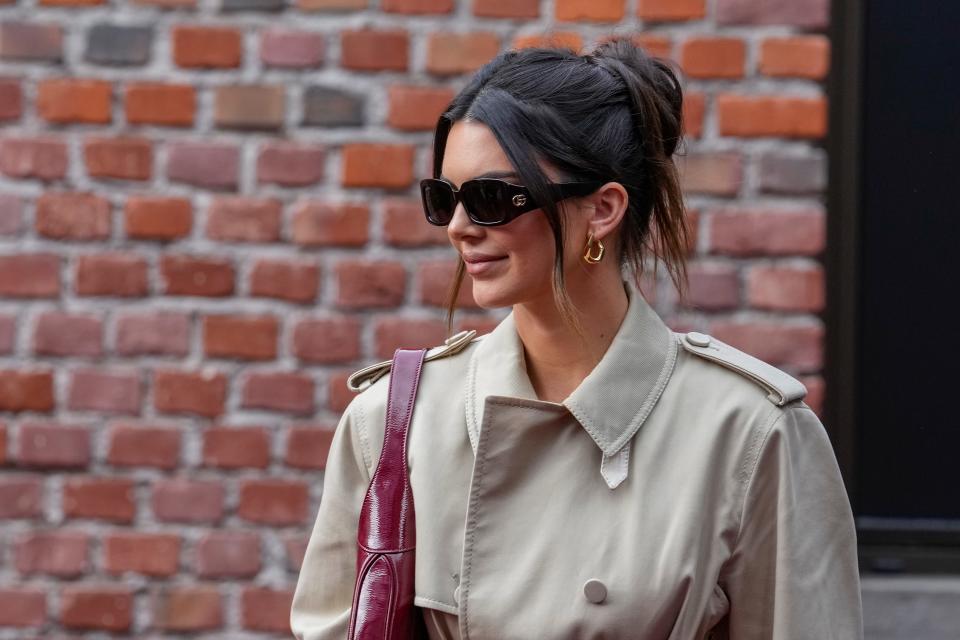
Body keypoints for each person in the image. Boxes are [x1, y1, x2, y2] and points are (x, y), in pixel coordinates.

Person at [290, 38, 863, 639]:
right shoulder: (394, 420)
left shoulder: (749, 432)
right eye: (444, 198)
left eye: (490, 198)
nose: (459, 227)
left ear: (602, 209)